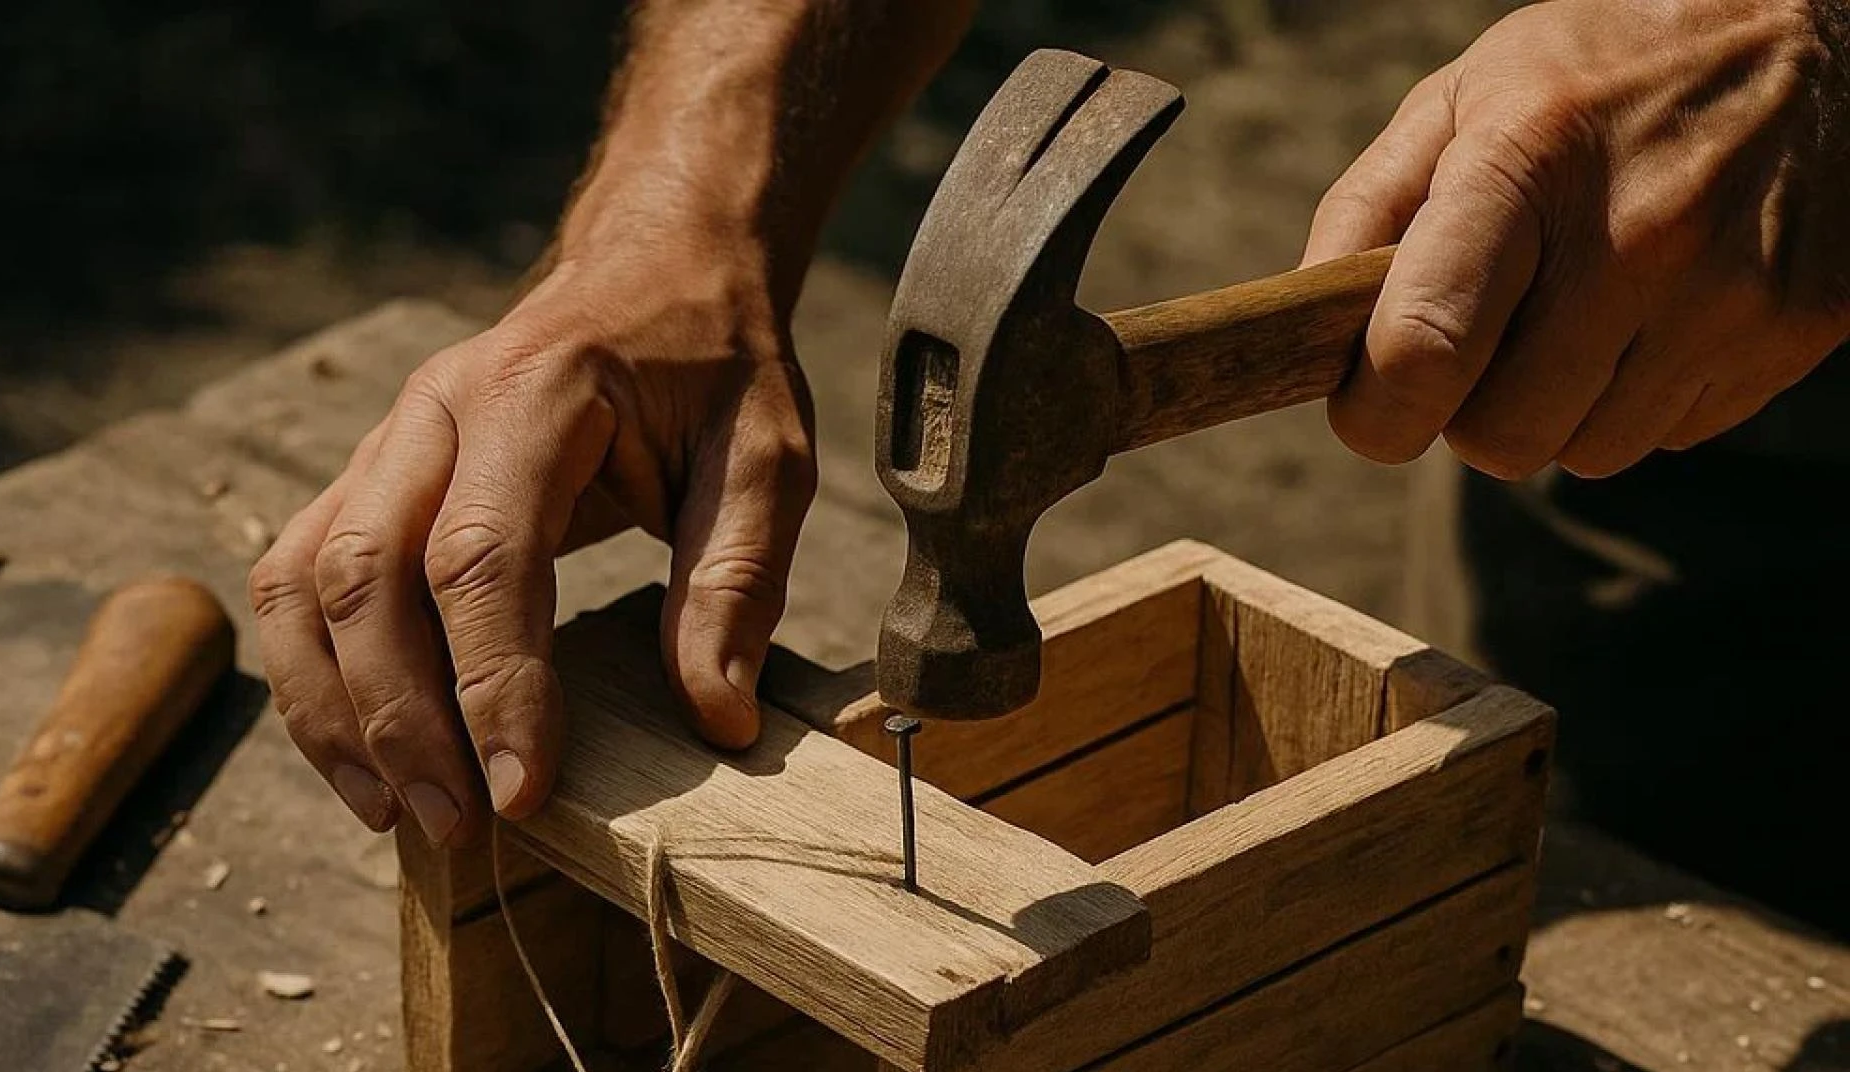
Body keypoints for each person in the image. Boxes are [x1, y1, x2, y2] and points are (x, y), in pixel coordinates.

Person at [251, 0, 1850, 858]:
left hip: (1762, 196)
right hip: (1659, 377)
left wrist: (1821, 48)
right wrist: (673, 215)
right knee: (1594, 851)